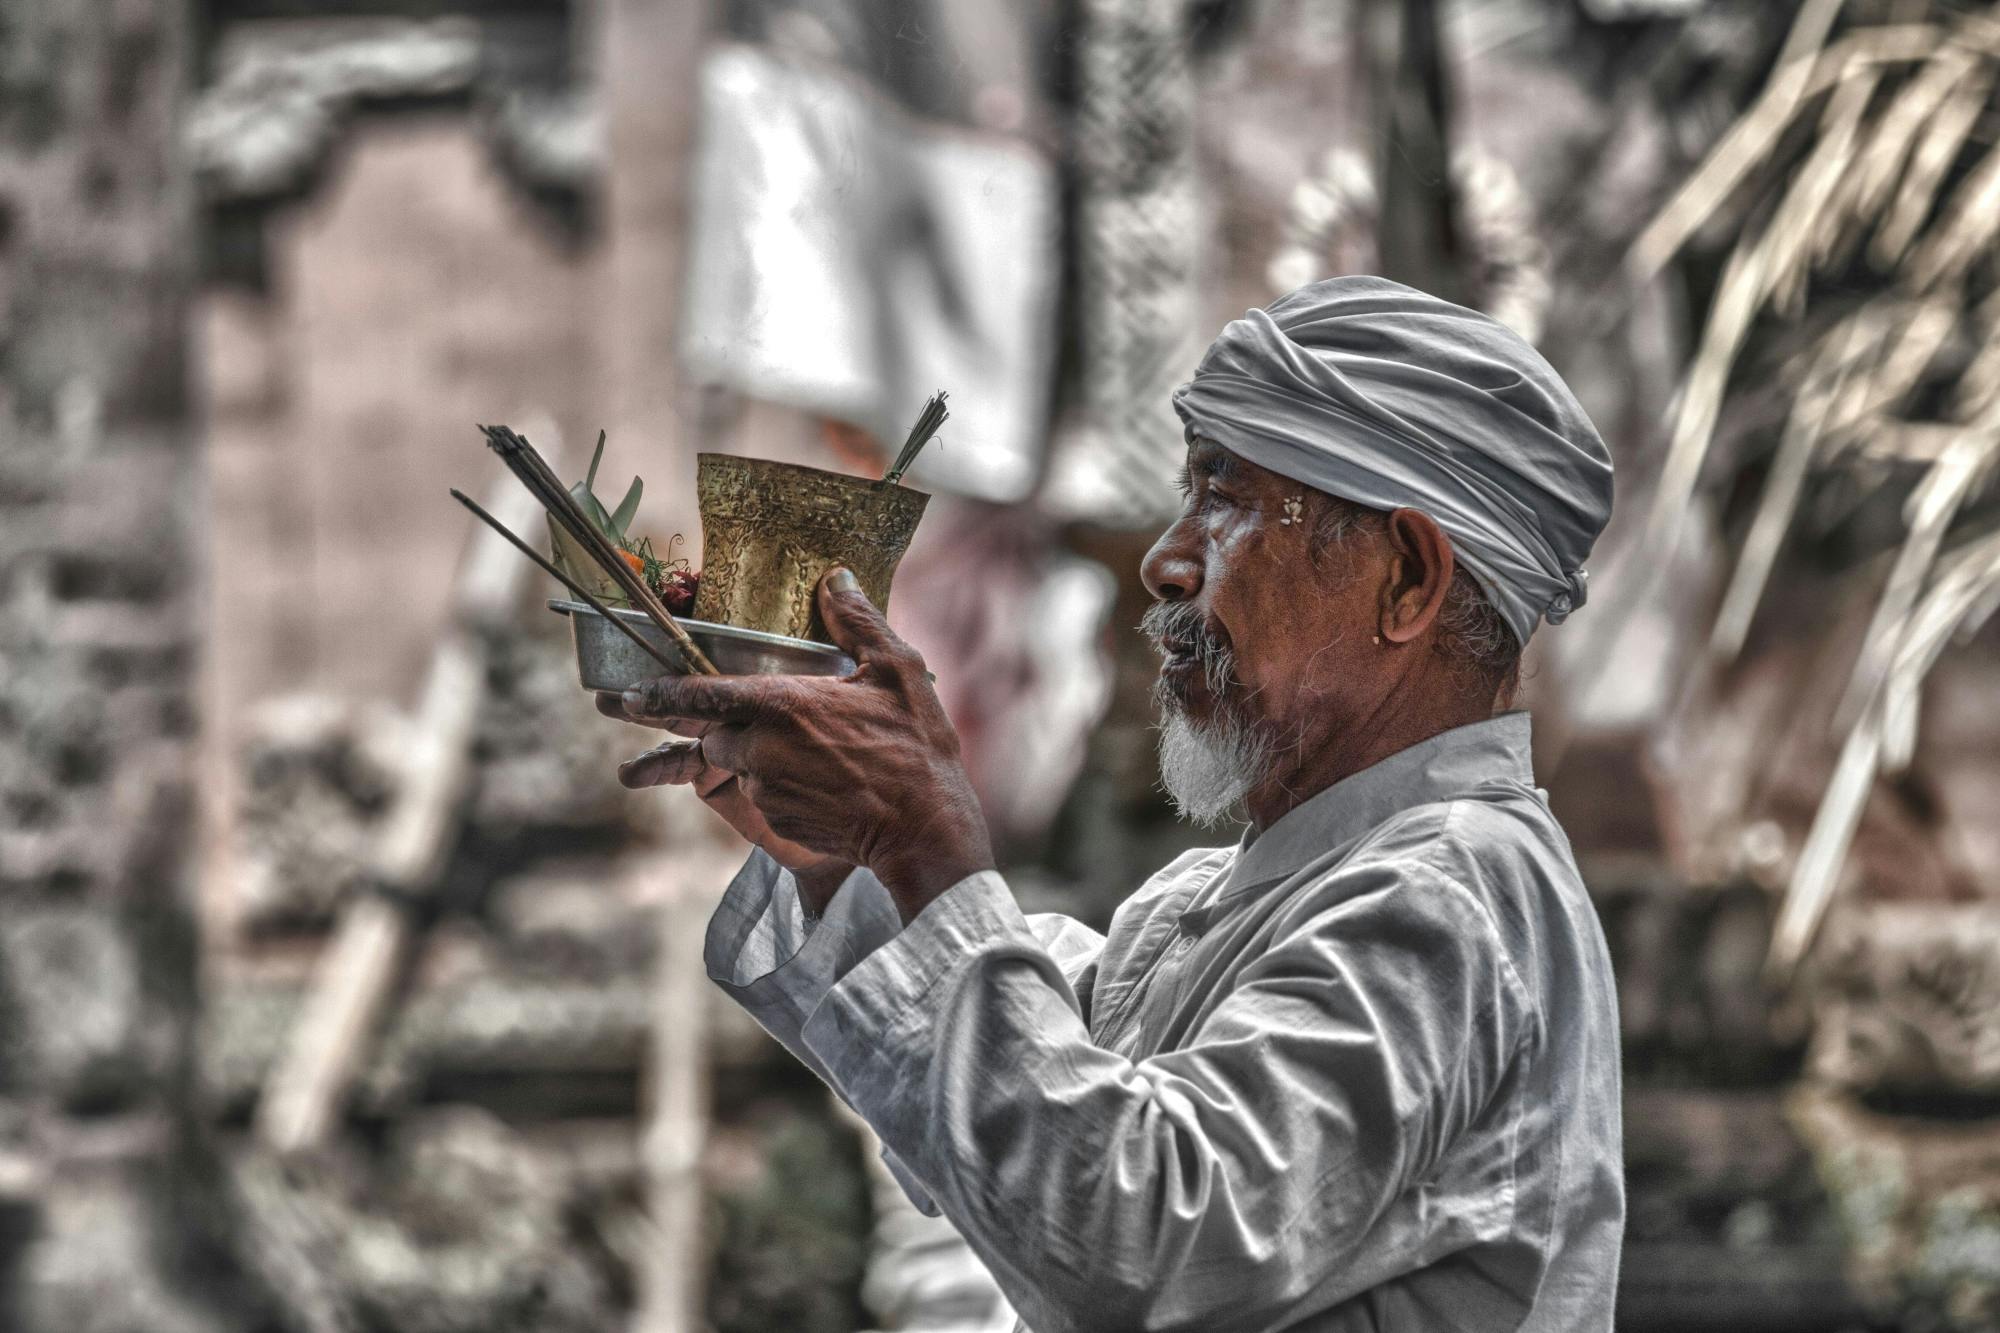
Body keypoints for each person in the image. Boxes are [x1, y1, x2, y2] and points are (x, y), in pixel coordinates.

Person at [598, 277, 1624, 1331]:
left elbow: (1135, 1244)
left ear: (1405, 578)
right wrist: (847, 848)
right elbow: (1025, 1132)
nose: (1164, 560)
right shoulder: (1218, 904)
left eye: (1223, 501)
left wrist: (920, 838)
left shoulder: (1450, 890)